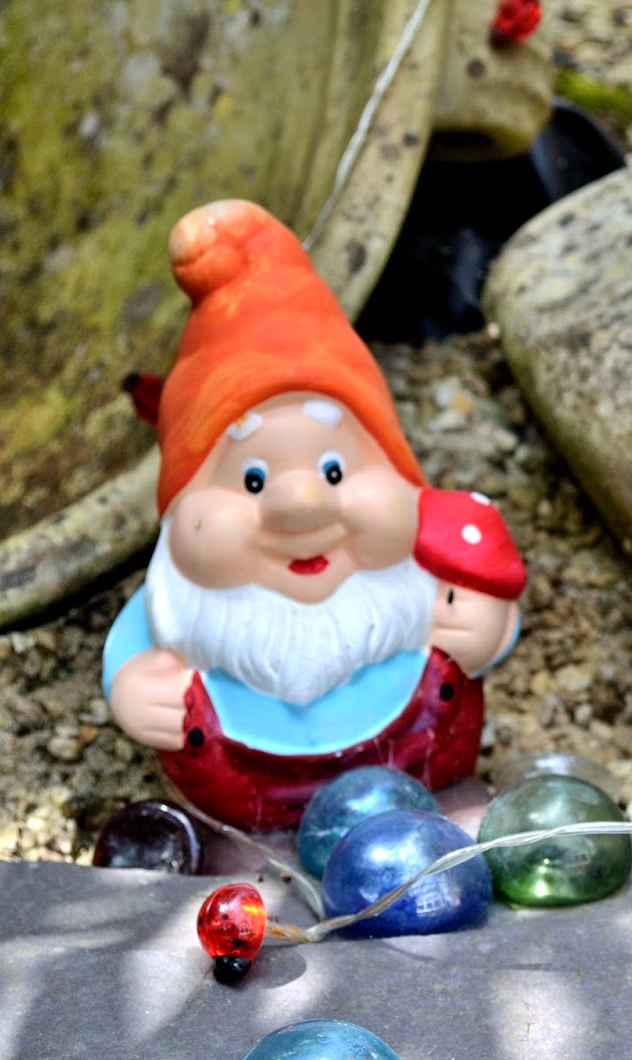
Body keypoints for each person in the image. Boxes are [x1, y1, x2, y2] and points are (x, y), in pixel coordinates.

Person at [104, 200, 524, 832]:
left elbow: (488, 607)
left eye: (335, 471)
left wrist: (490, 626)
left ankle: (455, 831)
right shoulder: (179, 606)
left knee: (460, 829)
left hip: (426, 771)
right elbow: (135, 647)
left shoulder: (425, 572)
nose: (300, 504)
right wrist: (133, 685)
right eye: (251, 481)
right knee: (245, 860)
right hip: (249, 804)